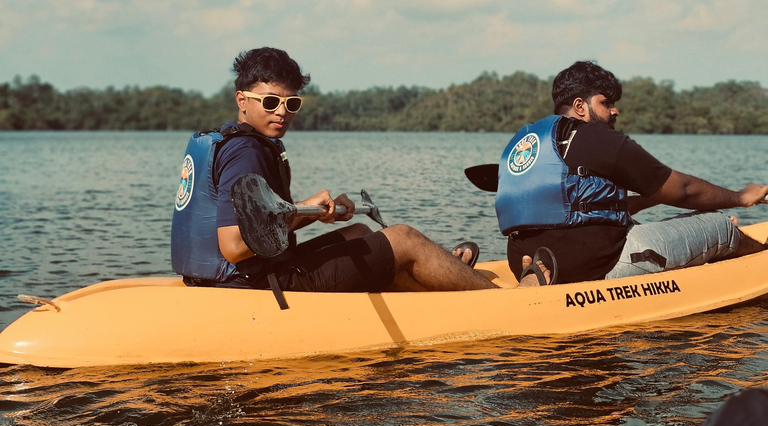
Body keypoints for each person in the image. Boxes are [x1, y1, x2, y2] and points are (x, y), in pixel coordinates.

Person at [171, 47, 544, 297]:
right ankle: (505, 304)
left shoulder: (228, 141)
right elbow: (235, 246)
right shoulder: (246, 152)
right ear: (242, 100)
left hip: (240, 277)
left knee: (358, 233)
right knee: (403, 238)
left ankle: (438, 286)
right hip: (257, 286)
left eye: (291, 102)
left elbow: (259, 230)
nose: (281, 112)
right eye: (270, 101)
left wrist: (310, 214)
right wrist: (300, 208)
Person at [496, 60, 768, 285]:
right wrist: (741, 197)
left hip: (527, 261)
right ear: (580, 107)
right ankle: (762, 260)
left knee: (643, 224)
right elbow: (684, 190)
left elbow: (582, 211)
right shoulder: (597, 138)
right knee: (720, 226)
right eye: (606, 103)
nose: (616, 110)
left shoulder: (527, 143)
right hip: (593, 264)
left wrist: (655, 196)